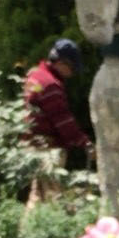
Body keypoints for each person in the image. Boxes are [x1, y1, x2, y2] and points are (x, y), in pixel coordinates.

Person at [23, 39, 93, 208]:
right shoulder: (50, 85)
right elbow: (63, 120)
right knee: (50, 197)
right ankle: (35, 231)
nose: (72, 73)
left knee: (38, 194)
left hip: (32, 145)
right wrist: (86, 143)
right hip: (47, 148)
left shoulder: (35, 75)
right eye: (72, 68)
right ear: (62, 63)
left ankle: (28, 230)